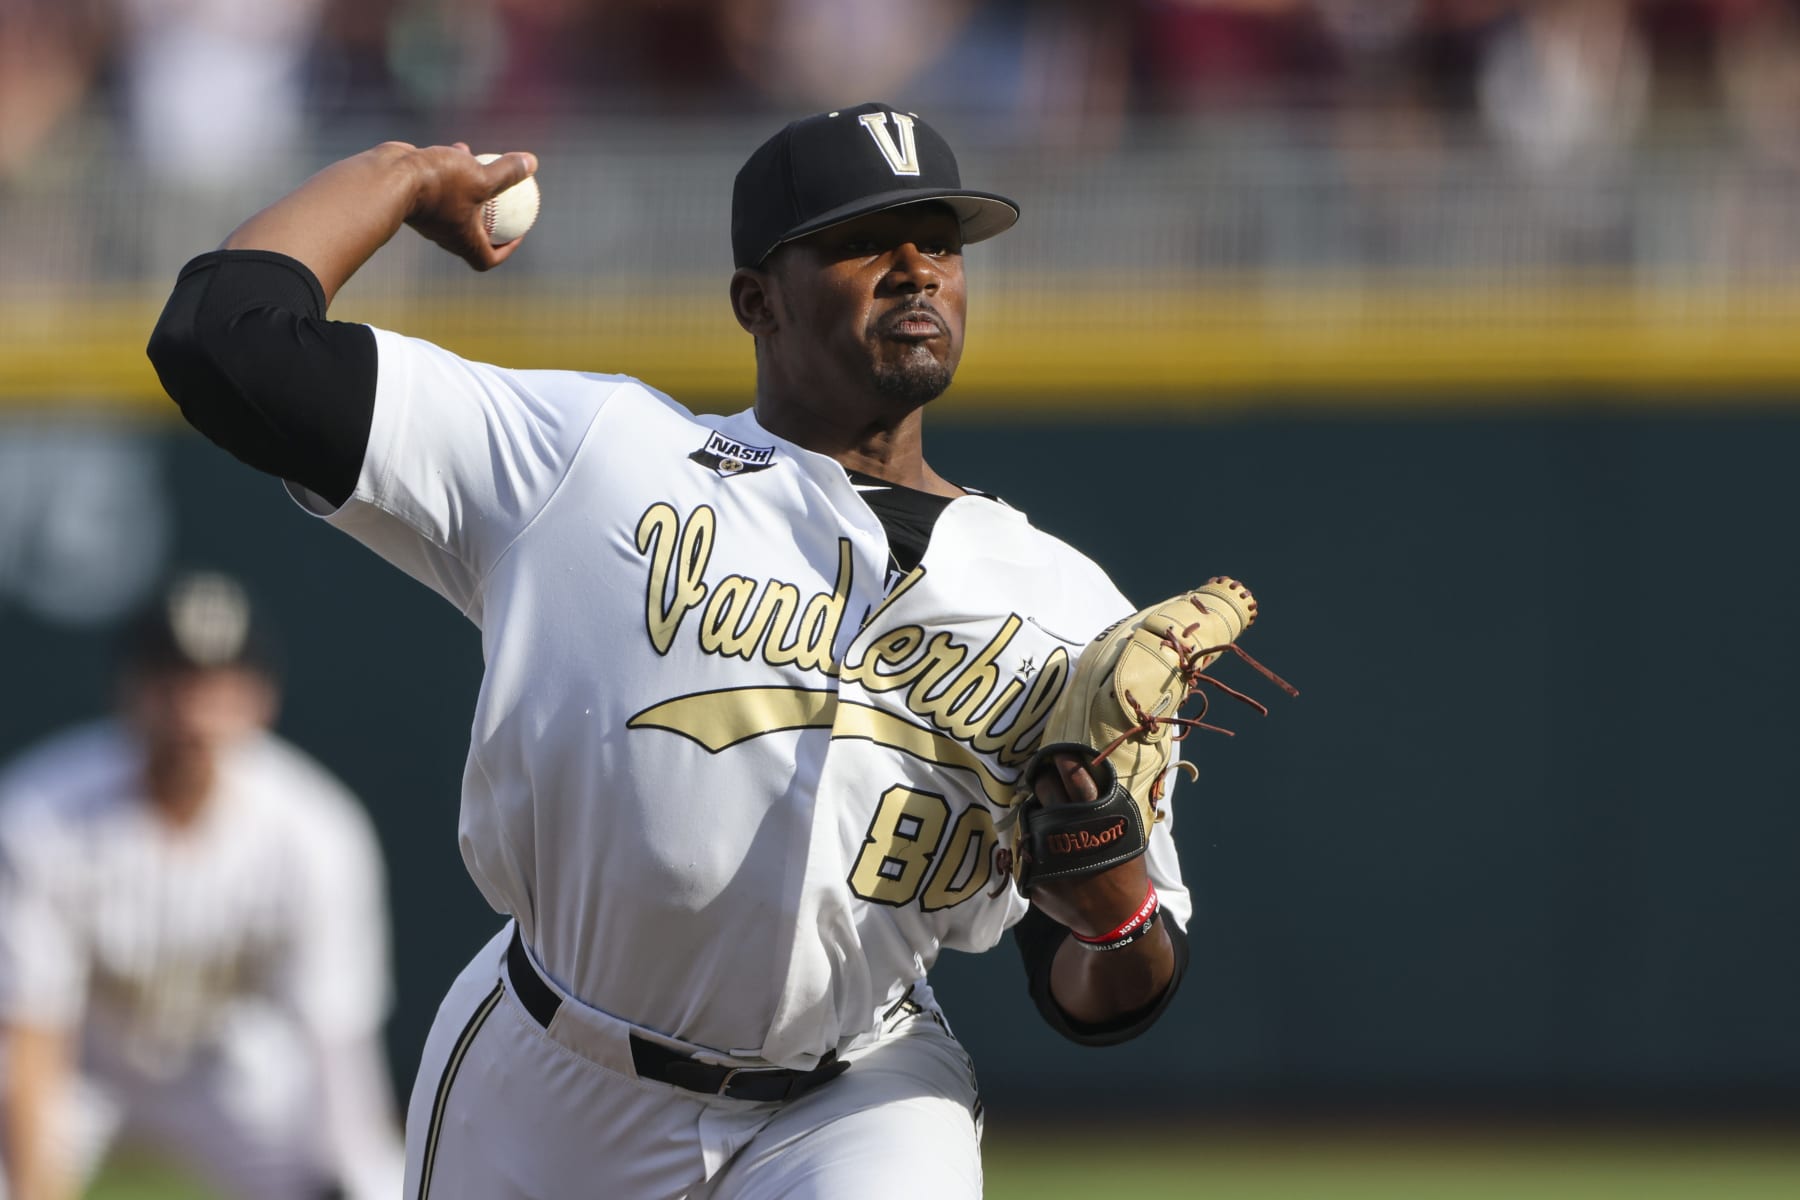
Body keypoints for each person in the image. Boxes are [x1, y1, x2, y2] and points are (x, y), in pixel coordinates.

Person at [145, 103, 1199, 1198]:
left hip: (859, 1094)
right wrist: (403, 174)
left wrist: (1114, 911)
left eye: (938, 240)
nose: (915, 271)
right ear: (758, 302)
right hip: (552, 1079)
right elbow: (222, 337)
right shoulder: (593, 457)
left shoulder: (1070, 608)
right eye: (860, 241)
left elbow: (1106, 993)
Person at [0, 572, 404, 1200]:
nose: (193, 714)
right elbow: (29, 1032)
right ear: (127, 693)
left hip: (233, 1078)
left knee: (371, 1178)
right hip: (88, 1072)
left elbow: (336, 1038)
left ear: (262, 700)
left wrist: (361, 1175)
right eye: (172, 684)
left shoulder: (316, 828)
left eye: (219, 687)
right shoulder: (40, 814)